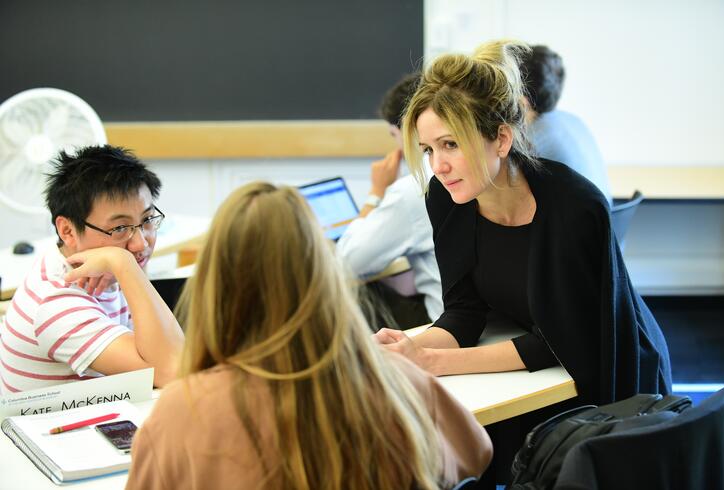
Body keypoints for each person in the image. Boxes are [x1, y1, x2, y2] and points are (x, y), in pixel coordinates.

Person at [374, 40, 672, 483]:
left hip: (606, 375)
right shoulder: (448, 198)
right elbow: (464, 310)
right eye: (429, 149)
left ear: (501, 139)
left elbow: (561, 342)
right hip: (539, 366)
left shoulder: (573, 208)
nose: (438, 165)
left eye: (451, 144)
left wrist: (434, 363)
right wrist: (409, 349)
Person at [126, 182, 492, 490]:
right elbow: (478, 454)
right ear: (325, 278)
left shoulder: (182, 413)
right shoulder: (396, 378)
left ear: (213, 288)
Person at [0, 145, 184, 393]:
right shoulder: (57, 301)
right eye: (119, 228)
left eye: (148, 220)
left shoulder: (95, 264)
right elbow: (173, 371)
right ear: (67, 231)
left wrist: (122, 264)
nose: (140, 243)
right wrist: (123, 264)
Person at [337, 73, 442, 328]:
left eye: (394, 136)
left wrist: (375, 193)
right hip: (487, 320)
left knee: (351, 294)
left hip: (443, 322)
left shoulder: (413, 189)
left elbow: (348, 263)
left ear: (407, 131)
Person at [520, 44, 613, 204]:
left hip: (581, 225)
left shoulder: (533, 139)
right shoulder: (572, 120)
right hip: (602, 220)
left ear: (522, 98)